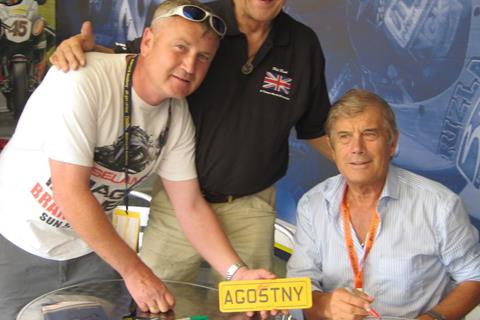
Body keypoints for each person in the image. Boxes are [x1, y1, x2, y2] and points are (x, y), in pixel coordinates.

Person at [0, 1, 277, 318]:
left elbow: (189, 205)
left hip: (88, 249)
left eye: (203, 57)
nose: (189, 65)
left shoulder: (177, 115)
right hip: (15, 241)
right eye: (180, 48)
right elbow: (69, 191)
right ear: (147, 42)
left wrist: (237, 273)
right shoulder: (83, 80)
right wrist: (134, 271)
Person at [50, 0, 333, 283]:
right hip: (178, 202)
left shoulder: (302, 45)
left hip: (251, 207)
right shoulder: (200, 20)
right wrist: (79, 50)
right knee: (159, 299)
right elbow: (139, 60)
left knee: (249, 308)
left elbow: (315, 126)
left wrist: (368, 168)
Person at [286, 88, 480, 320]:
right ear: (332, 147)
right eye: (344, 136)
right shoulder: (312, 204)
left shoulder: (440, 205)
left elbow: (474, 277)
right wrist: (324, 305)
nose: (357, 147)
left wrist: (433, 319)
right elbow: (298, 287)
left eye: (369, 134)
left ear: (392, 143)